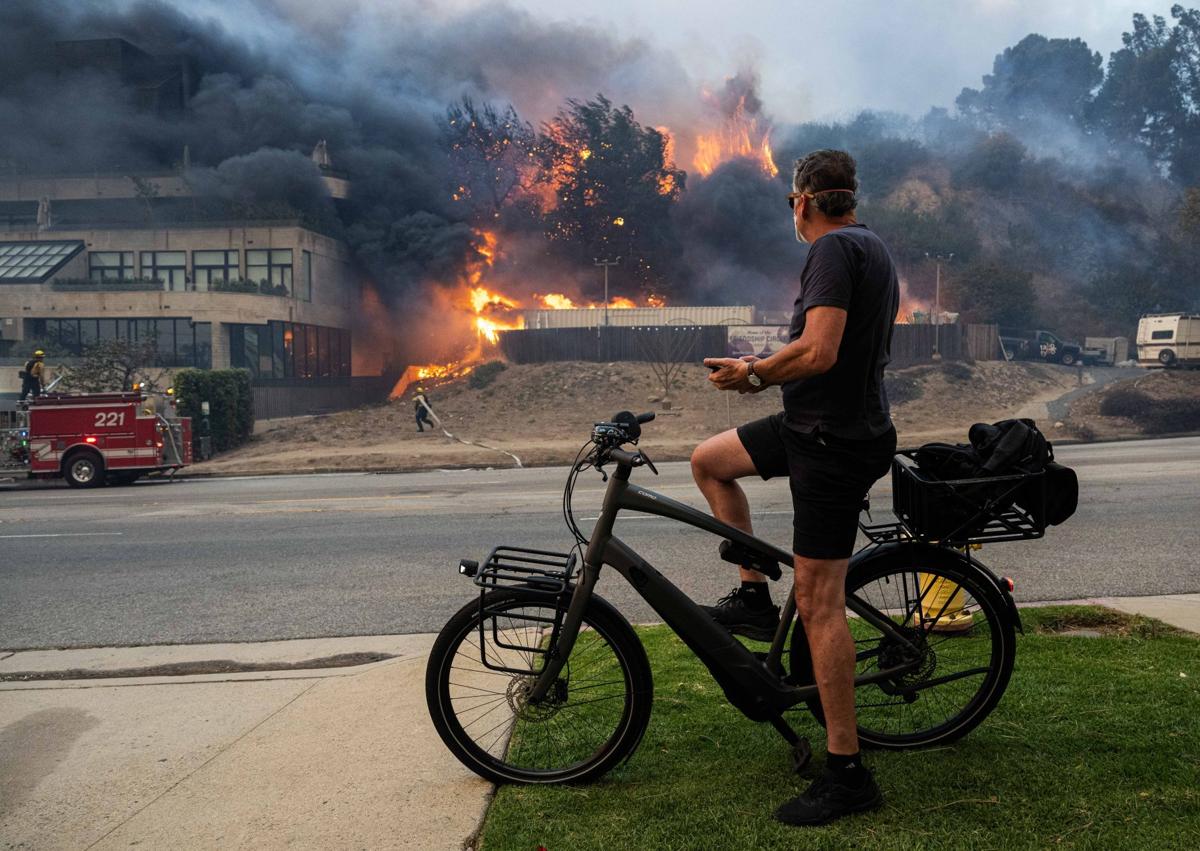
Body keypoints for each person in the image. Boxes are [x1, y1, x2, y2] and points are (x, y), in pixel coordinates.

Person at [696, 149, 899, 827]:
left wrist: (752, 374)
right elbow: (814, 354)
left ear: (803, 203)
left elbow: (820, 351)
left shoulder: (834, 251)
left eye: (792, 201)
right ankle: (754, 595)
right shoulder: (867, 243)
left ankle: (847, 773)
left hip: (833, 442)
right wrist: (759, 371)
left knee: (818, 601)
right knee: (709, 460)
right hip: (806, 422)